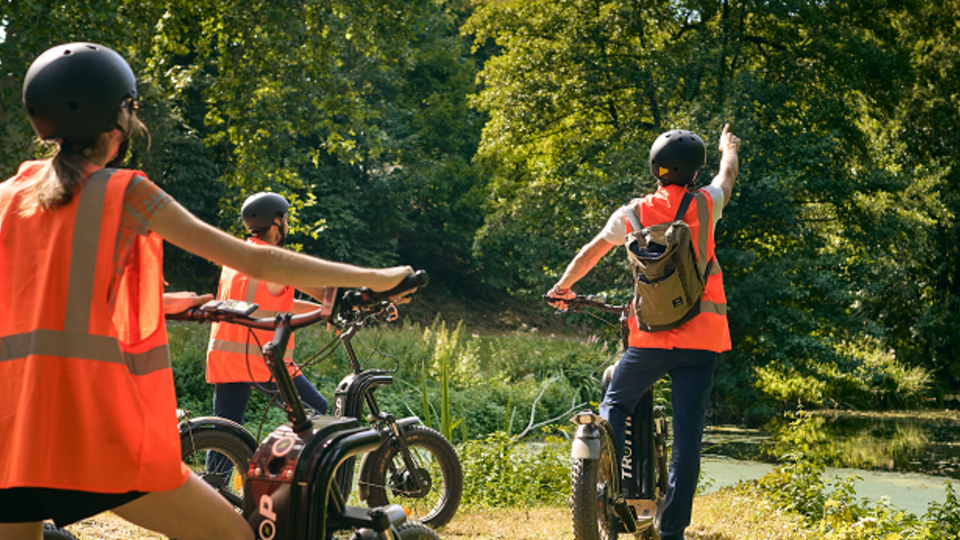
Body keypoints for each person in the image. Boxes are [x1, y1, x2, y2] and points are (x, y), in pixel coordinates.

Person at [0, 42, 413, 540]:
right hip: (92, 426)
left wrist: (180, 304)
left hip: (12, 431)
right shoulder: (124, 192)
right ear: (121, 120)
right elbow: (252, 255)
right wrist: (375, 277)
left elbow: (47, 301)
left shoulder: (7, 198)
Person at [547, 125, 741, 540]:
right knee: (688, 438)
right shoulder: (706, 204)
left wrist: (563, 289)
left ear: (656, 169)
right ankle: (671, 532)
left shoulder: (633, 213)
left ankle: (605, 479)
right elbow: (727, 175)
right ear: (693, 173)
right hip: (702, 339)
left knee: (614, 401)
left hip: (650, 337)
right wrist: (729, 148)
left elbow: (591, 253)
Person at [203, 192, 329, 479]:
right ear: (277, 222)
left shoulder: (236, 258)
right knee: (318, 411)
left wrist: (323, 312)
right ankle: (293, 478)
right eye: (285, 218)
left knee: (225, 432)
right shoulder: (274, 260)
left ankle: (216, 488)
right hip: (263, 359)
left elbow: (278, 304)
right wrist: (341, 303)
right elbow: (323, 290)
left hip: (226, 359)